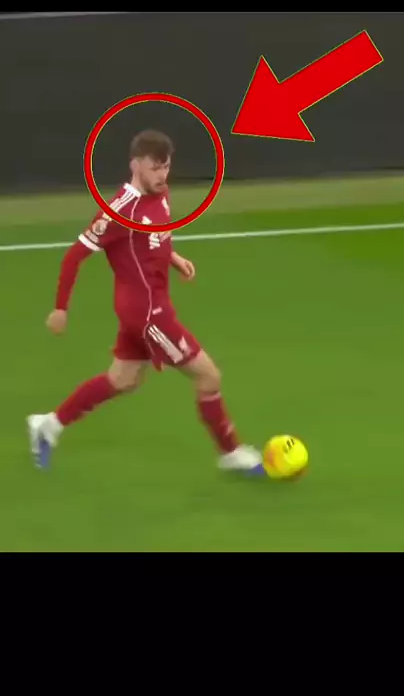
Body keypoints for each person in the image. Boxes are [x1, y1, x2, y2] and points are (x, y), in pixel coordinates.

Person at [27, 129, 264, 474]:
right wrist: (61, 308)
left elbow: (152, 239)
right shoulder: (118, 212)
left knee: (123, 379)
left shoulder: (160, 193)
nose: (162, 175)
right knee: (208, 376)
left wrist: (173, 258)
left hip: (140, 310)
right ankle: (231, 453)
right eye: (155, 168)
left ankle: (48, 424)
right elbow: (74, 256)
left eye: (166, 167)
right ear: (135, 165)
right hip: (149, 315)